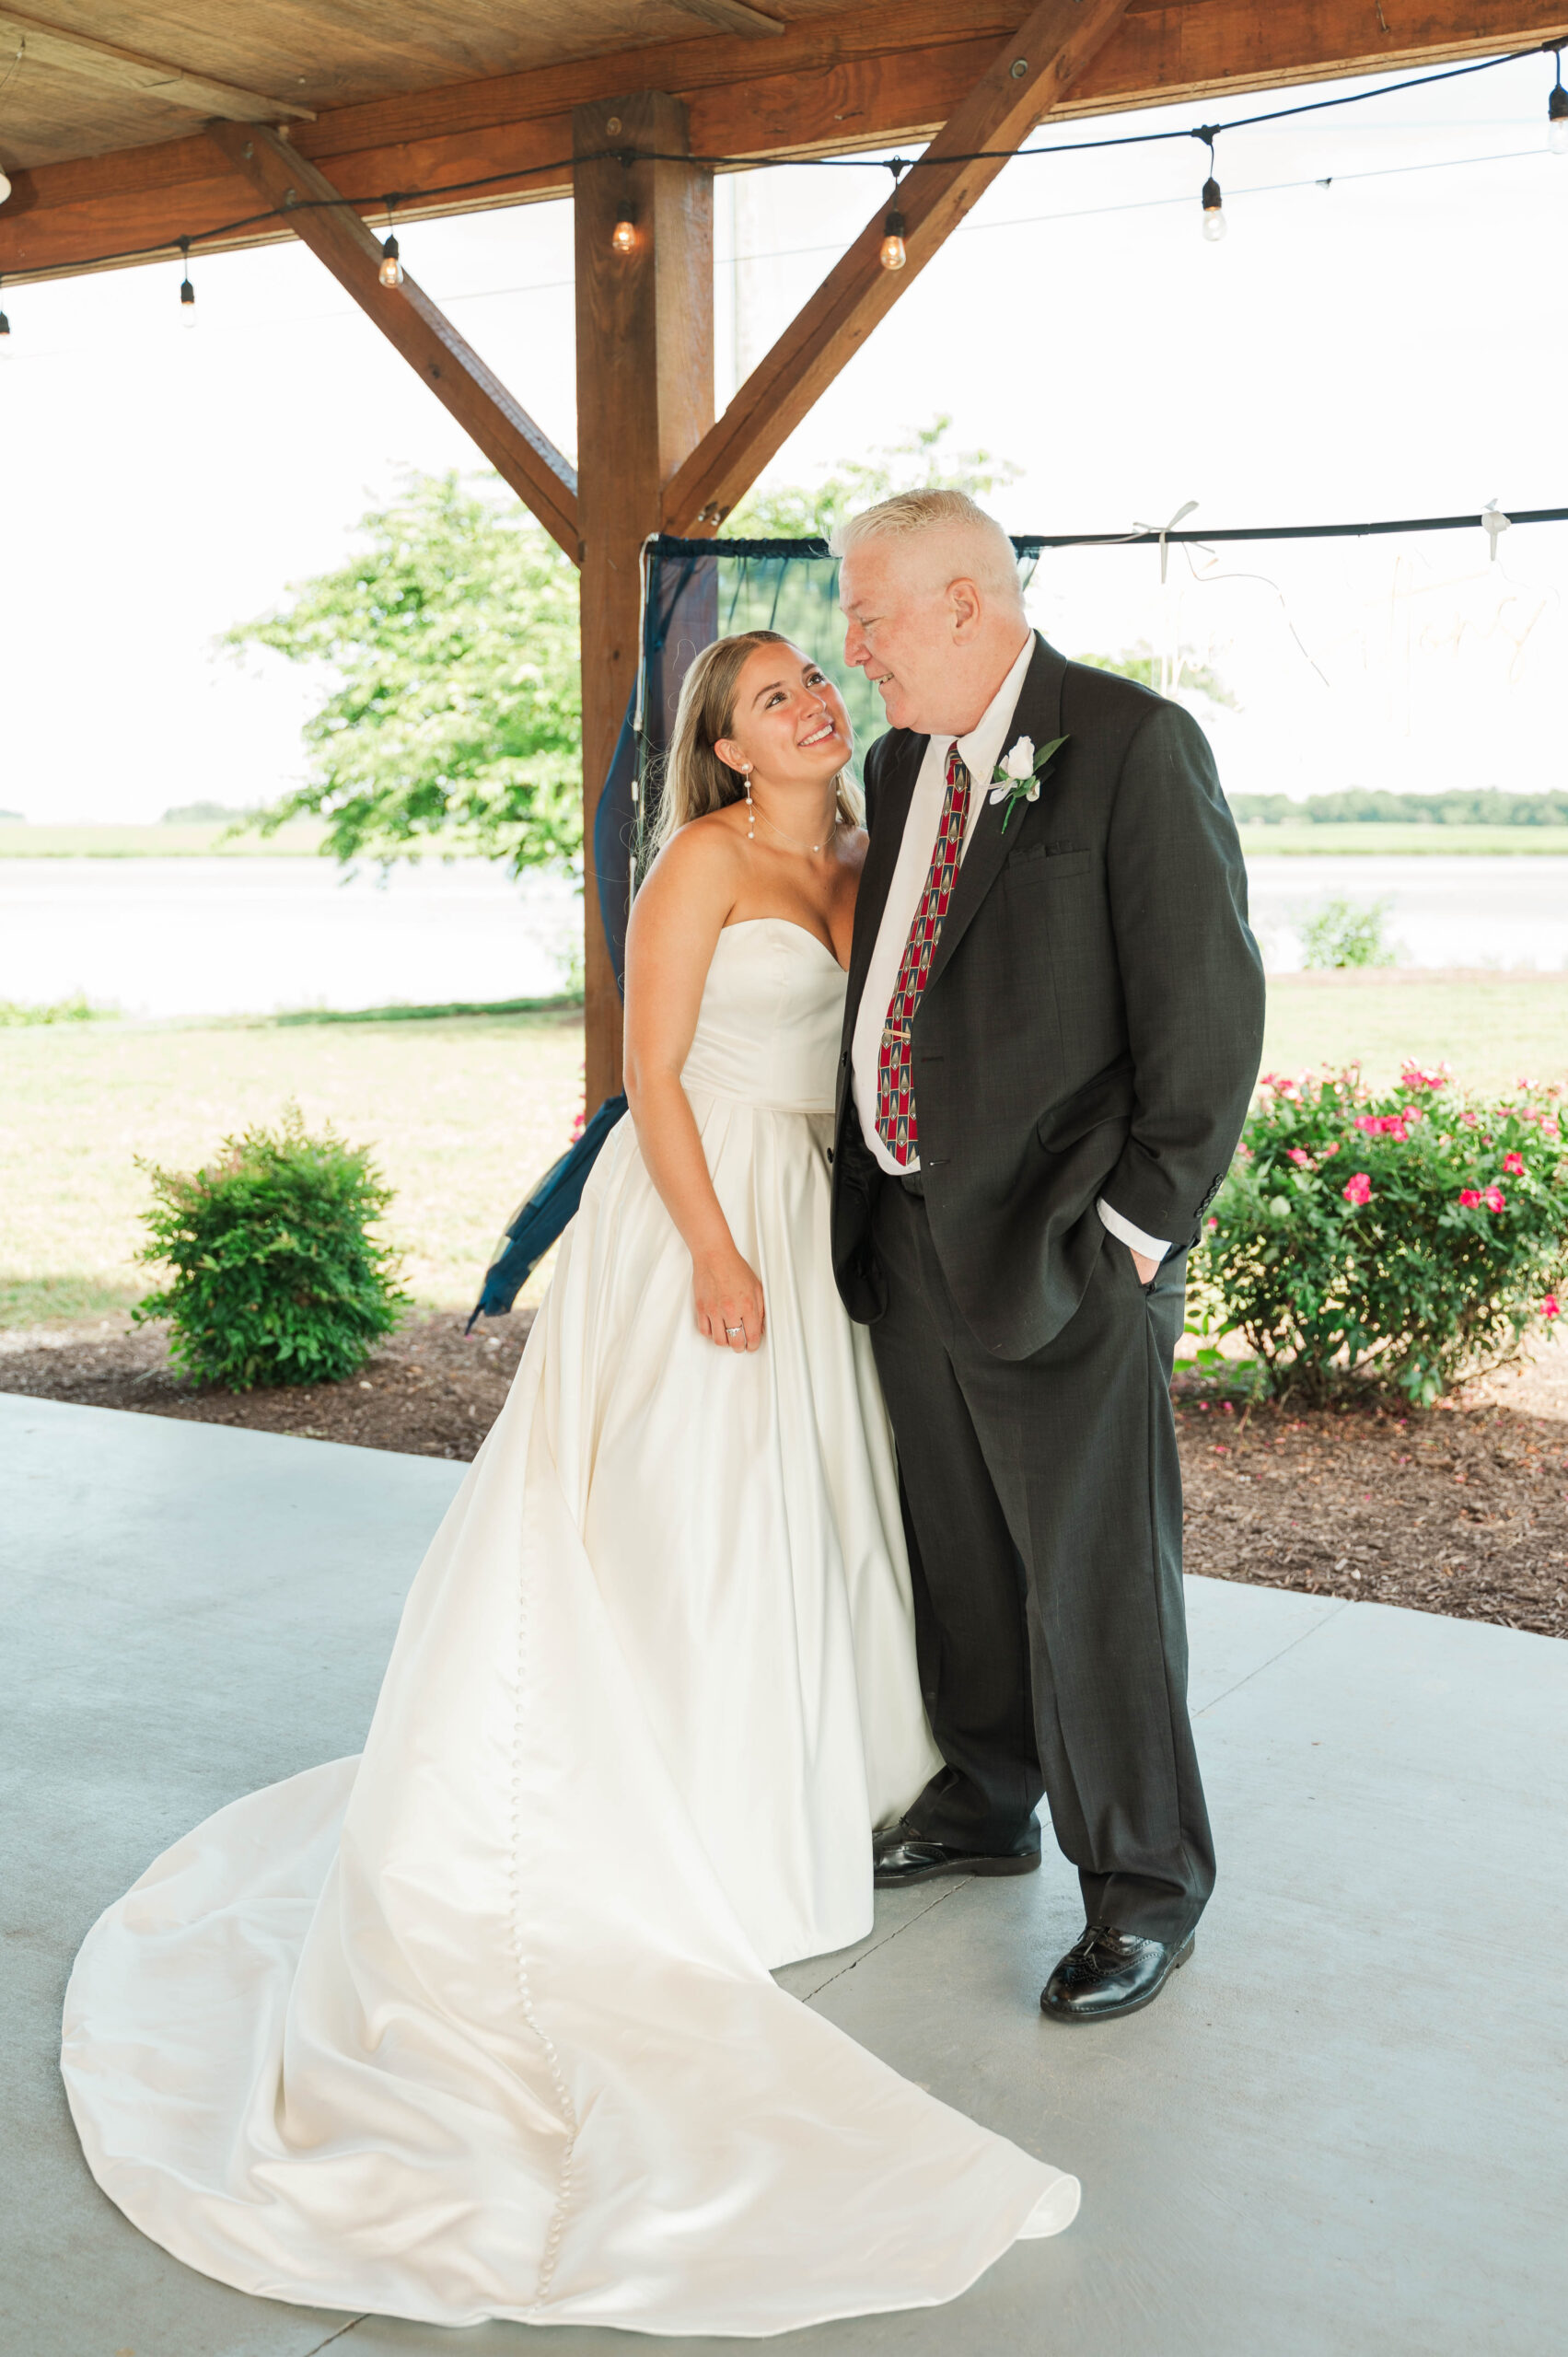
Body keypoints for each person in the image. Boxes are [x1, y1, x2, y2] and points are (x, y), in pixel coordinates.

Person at [61, 628, 1078, 2338]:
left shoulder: (866, 850)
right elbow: (656, 1076)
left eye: (818, 678)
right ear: (727, 745)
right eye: (770, 697)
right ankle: (662, 1800)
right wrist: (710, 1249)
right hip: (701, 1217)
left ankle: (791, 1777)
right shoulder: (698, 859)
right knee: (683, 1525)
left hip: (825, 1223)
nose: (814, 702)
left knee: (805, 1524)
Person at [830, 491, 1265, 2024]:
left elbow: (1207, 1020)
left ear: (964, 603)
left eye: (869, 614)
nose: (854, 646)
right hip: (908, 1236)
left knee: (1097, 1585)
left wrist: (1138, 1234)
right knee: (960, 1553)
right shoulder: (896, 763)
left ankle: (1145, 1885)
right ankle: (987, 1796)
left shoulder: (1135, 746)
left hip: (1073, 1253)